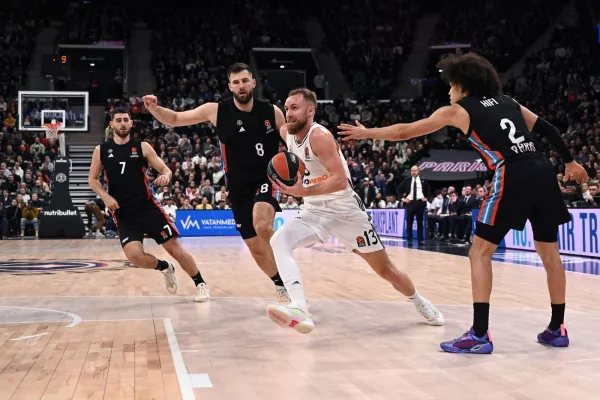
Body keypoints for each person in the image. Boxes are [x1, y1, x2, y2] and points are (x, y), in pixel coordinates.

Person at [338, 52, 588, 353]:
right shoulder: (509, 101)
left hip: (512, 171)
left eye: (451, 85)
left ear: (462, 85)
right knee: (550, 253)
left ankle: (479, 334)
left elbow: (405, 131)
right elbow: (548, 130)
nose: (448, 91)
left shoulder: (457, 110)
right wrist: (570, 162)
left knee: (479, 253)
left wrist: (366, 133)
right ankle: (557, 328)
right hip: (543, 168)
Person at [265, 88, 444, 334]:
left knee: (386, 270)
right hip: (314, 211)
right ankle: (299, 307)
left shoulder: (320, 136)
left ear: (310, 110)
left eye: (294, 108)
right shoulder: (288, 134)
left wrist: (301, 190)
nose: (288, 113)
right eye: (286, 108)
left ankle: (420, 302)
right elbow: (275, 119)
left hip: (346, 211)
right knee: (278, 240)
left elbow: (339, 180)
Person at [142, 62, 290, 304]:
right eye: (236, 82)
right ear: (230, 86)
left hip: (266, 178)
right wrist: (155, 109)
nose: (241, 86)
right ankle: (280, 284)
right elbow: (177, 118)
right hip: (238, 187)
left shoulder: (272, 111)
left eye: (245, 80)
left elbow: (291, 141)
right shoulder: (217, 110)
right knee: (255, 246)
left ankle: (291, 273)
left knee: (262, 225)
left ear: (253, 82)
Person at [88, 107, 209, 302]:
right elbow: (92, 180)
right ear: (111, 124)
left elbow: (165, 169)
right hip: (124, 213)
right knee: (135, 256)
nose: (122, 123)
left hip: (147, 208)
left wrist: (166, 176)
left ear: (131, 123)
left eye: (126, 120)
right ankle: (165, 267)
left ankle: (200, 282)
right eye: (118, 120)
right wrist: (105, 197)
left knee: (175, 249)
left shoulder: (142, 147)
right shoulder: (101, 150)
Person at [397, 165, 430, 244]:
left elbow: (429, 190)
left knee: (419, 222)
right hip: (410, 204)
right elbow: (398, 189)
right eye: (412, 171)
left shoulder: (423, 180)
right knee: (409, 223)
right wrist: (402, 199)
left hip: (420, 204)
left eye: (415, 171)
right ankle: (410, 239)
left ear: (418, 171)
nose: (413, 172)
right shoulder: (406, 180)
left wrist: (426, 198)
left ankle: (420, 239)